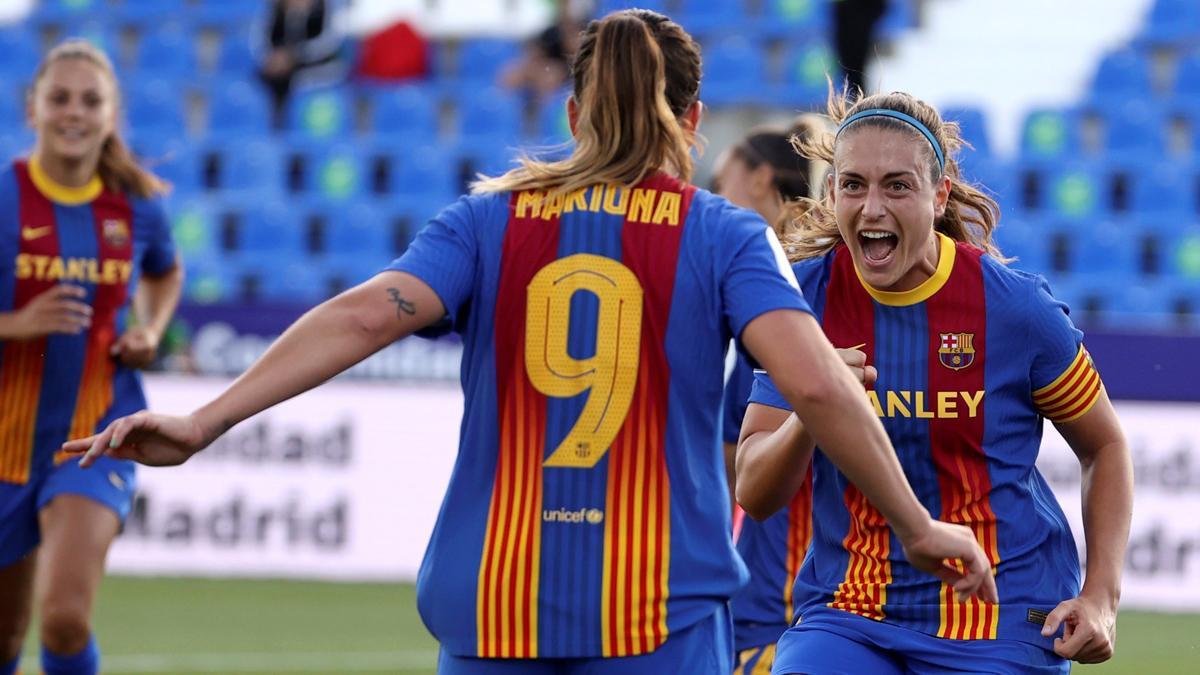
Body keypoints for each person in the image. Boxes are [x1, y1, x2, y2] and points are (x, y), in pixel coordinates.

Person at [66, 11, 996, 674]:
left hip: (490, 601)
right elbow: (823, 389)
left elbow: (359, 316)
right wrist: (916, 523)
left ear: (572, 115)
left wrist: (205, 420)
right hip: (658, 609)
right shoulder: (721, 234)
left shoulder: (486, 221)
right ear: (697, 121)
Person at [736, 90, 1133, 674]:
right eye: (853, 185)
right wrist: (815, 408)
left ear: (938, 193)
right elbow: (754, 489)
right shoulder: (801, 302)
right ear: (831, 192)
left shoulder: (1016, 309)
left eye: (896, 185)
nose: (872, 208)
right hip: (851, 615)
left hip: (999, 616)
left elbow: (1105, 445)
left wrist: (1102, 596)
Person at [0, 40, 183, 675]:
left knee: (65, 618)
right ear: (33, 110)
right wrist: (15, 324)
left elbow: (165, 272)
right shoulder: (3, 200)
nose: (73, 113)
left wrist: (150, 328)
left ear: (111, 115)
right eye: (60, 99)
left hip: (95, 432)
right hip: (4, 444)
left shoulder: (135, 206)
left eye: (90, 101)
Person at [710, 117, 827, 675]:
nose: (713, 201)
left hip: (782, 596)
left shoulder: (782, 302)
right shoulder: (812, 287)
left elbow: (737, 461)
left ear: (759, 180)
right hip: (808, 593)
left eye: (720, 184)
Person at [257, 0, 347, 128]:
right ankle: (275, 128)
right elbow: (262, 41)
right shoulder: (275, 9)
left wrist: (294, 55)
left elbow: (330, 41)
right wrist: (274, 58)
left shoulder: (327, 7)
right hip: (281, 71)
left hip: (319, 67)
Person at [831, 0, 888, 97]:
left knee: (855, 66)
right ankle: (860, 99)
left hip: (858, 15)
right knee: (850, 67)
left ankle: (862, 100)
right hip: (848, 15)